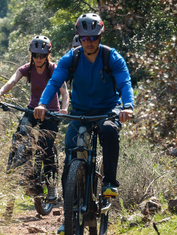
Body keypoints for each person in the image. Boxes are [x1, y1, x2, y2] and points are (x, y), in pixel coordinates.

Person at [33, 13, 134, 216]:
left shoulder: (111, 57)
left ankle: (109, 183)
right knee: (70, 152)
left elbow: (124, 83)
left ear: (100, 35)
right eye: (84, 38)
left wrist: (128, 106)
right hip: (80, 112)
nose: (88, 42)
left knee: (109, 131)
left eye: (93, 37)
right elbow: (54, 83)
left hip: (108, 110)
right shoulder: (71, 58)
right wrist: (43, 103)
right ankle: (71, 210)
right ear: (78, 37)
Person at [0, 35, 68, 202]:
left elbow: (64, 92)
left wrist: (64, 109)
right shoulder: (27, 69)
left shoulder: (53, 69)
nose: (38, 58)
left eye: (42, 55)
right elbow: (12, 81)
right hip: (32, 110)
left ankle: (51, 185)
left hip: (51, 113)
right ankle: (17, 174)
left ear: (48, 55)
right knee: (20, 135)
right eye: (35, 55)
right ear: (31, 54)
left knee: (46, 147)